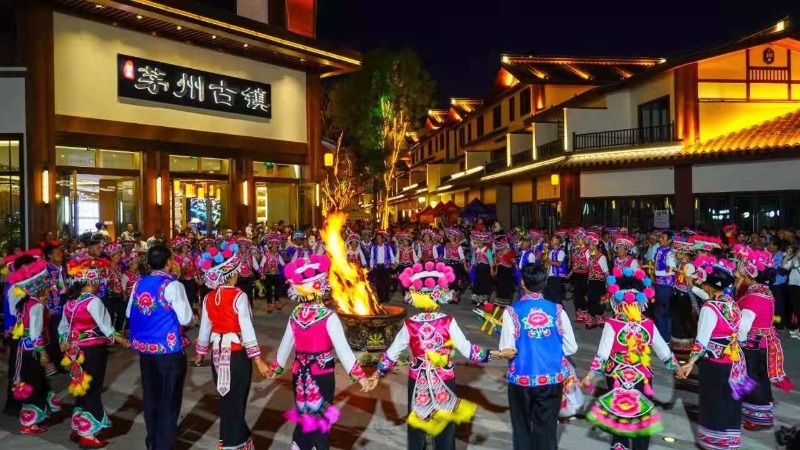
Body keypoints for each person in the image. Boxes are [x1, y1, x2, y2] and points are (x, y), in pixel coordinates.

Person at [372, 261, 491, 450]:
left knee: (418, 425)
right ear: (439, 297)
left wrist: (377, 374)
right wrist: (493, 354)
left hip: (417, 378)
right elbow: (468, 350)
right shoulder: (448, 322)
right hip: (444, 377)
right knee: (444, 426)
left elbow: (392, 354)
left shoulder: (410, 324)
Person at [269, 254, 374, 450]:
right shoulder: (328, 316)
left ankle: (301, 445)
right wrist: (360, 377)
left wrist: (275, 368)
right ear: (321, 287)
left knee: (304, 415)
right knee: (321, 419)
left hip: (299, 374)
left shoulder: (295, 314)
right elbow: (342, 350)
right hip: (322, 373)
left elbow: (285, 344)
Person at [580, 265, 678, 450]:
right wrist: (678, 369)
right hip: (642, 376)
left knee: (620, 414)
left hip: (617, 375)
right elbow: (664, 352)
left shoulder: (613, 324)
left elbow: (602, 356)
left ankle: (620, 445)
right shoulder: (648, 324)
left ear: (617, 300)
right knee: (641, 415)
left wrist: (589, 377)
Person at [194, 240, 271, 450]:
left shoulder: (208, 298)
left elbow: (204, 328)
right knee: (237, 400)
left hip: (217, 355)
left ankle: (239, 440)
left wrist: (200, 353)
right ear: (232, 274)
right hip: (237, 355)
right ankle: (233, 443)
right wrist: (258, 360)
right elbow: (247, 329)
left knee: (227, 400)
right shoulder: (239, 296)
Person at [676, 255, 756, 450]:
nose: (701, 284)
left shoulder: (709, 308)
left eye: (703, 282)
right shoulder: (730, 302)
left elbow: (702, 341)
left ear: (708, 285)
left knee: (714, 400)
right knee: (730, 399)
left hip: (715, 362)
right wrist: (691, 286)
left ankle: (716, 441)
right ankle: (730, 440)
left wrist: (690, 362)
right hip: (734, 360)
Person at [496, 264, 577, 450]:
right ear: (545, 283)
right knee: (547, 428)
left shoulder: (511, 311)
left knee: (522, 427)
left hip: (521, 378)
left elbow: (507, 349)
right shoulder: (557, 310)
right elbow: (571, 347)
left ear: (523, 284)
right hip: (551, 378)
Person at [126, 245, 193, 450]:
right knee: (169, 400)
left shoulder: (139, 283)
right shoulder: (172, 285)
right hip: (168, 351)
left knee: (151, 396)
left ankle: (152, 441)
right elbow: (186, 318)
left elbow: (129, 313)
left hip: (146, 351)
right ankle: (164, 444)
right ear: (168, 262)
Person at [61, 256, 130, 448]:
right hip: (92, 350)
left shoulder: (70, 302)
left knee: (81, 387)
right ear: (90, 282)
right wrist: (122, 339)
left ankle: (78, 426)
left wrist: (63, 342)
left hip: (75, 350)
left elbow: (63, 327)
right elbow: (106, 327)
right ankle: (88, 434)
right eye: (98, 280)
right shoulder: (93, 302)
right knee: (92, 388)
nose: (100, 284)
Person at [733, 246, 793, 430]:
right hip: (763, 342)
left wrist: (738, 342)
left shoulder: (754, 297)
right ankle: (760, 415)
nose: (739, 275)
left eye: (742, 273)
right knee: (760, 379)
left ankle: (755, 418)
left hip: (754, 344)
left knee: (751, 379)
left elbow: (744, 326)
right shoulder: (765, 291)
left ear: (750, 275)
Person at [8, 260, 61, 435]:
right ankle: (29, 423)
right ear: (40, 289)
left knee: (36, 382)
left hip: (23, 349)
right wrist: (43, 352)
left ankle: (48, 410)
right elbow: (35, 333)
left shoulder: (25, 301)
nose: (48, 291)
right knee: (35, 385)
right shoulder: (37, 305)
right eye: (46, 289)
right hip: (33, 351)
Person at [670, 236, 697, 356]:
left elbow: (689, 282)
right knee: (678, 319)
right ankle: (678, 344)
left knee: (685, 320)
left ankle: (686, 345)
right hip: (678, 293)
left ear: (685, 254)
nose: (677, 255)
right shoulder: (681, 264)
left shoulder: (689, 266)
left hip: (685, 295)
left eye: (679, 253)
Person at [42, 243, 67, 366]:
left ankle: (62, 358)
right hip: (53, 305)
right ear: (50, 256)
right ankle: (56, 361)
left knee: (62, 330)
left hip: (63, 300)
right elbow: (44, 288)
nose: (60, 255)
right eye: (57, 253)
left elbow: (62, 285)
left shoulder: (61, 268)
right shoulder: (46, 269)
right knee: (55, 333)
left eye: (60, 252)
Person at [653, 231, 677, 342]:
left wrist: (657, 273)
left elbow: (672, 270)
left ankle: (665, 336)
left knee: (663, 311)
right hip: (659, 284)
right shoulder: (659, 250)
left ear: (669, 240)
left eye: (663, 238)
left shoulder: (670, 253)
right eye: (660, 237)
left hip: (666, 285)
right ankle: (662, 334)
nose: (660, 239)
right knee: (660, 310)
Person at [584, 232, 609, 329]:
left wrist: (609, 285)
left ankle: (601, 318)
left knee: (599, 301)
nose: (589, 247)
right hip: (591, 281)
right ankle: (592, 319)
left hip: (599, 282)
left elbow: (606, 272)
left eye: (591, 245)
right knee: (591, 301)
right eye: (589, 245)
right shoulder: (589, 256)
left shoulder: (602, 257)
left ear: (595, 245)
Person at [102, 242, 126, 334]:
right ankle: (109, 336)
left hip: (118, 296)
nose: (119, 256)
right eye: (116, 254)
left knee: (122, 315)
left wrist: (123, 293)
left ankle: (117, 334)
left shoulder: (119, 268)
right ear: (111, 256)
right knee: (110, 316)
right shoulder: (105, 268)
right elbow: (102, 284)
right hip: (108, 296)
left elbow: (120, 281)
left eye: (120, 253)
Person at [369, 230, 396, 304]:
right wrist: (371, 266)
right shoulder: (374, 247)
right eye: (377, 238)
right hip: (377, 267)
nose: (378, 240)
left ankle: (386, 296)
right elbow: (372, 258)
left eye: (379, 238)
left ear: (383, 239)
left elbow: (391, 255)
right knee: (378, 283)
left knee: (386, 282)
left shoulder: (387, 247)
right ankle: (380, 298)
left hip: (386, 267)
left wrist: (392, 263)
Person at [569, 233, 590, 324]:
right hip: (576, 275)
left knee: (582, 295)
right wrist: (570, 273)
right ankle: (579, 314)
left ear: (584, 240)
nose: (577, 240)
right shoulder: (576, 250)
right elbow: (574, 263)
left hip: (584, 275)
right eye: (577, 239)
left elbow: (590, 264)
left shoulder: (588, 251)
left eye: (579, 239)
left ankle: (585, 314)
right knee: (577, 296)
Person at [470, 231, 493, 305]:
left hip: (486, 269)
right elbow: (473, 259)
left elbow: (490, 261)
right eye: (478, 241)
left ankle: (485, 299)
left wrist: (491, 270)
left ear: (484, 242)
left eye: (480, 242)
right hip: (478, 269)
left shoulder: (487, 250)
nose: (479, 243)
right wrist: (471, 267)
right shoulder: (475, 249)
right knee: (478, 283)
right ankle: (478, 299)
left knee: (485, 283)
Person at [543, 234, 567, 304]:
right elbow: (549, 264)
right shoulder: (551, 251)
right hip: (551, 276)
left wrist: (548, 260)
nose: (550, 241)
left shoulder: (561, 252)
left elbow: (559, 264)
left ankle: (560, 309)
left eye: (552, 240)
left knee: (555, 296)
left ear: (557, 241)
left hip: (557, 276)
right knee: (549, 296)